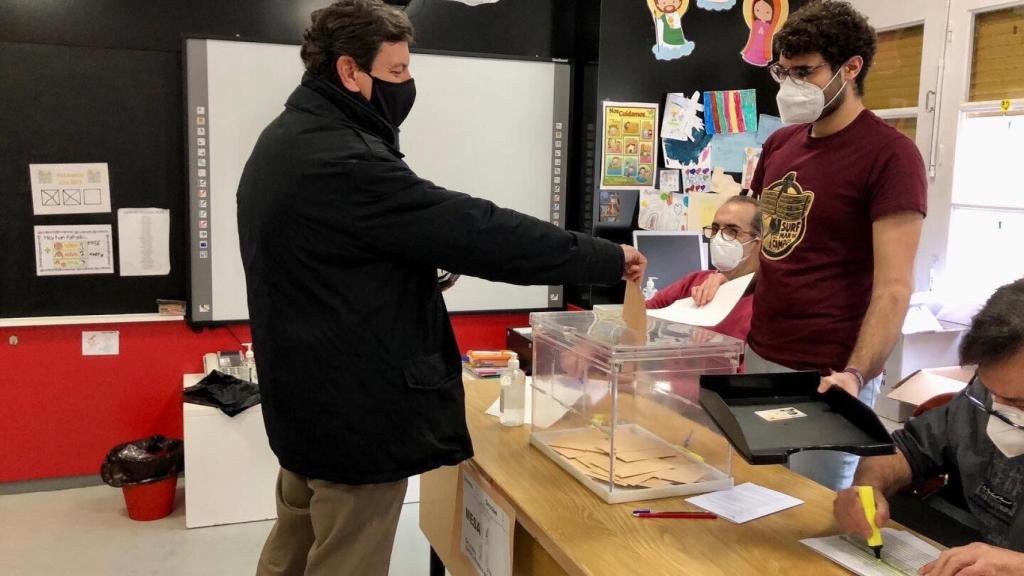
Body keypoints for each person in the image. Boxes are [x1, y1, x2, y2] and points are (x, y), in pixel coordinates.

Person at [235, 2, 646, 575]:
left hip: (307, 399)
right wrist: (604, 255)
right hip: (355, 415)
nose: (408, 85)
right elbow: (477, 230)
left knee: (293, 546)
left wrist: (402, 270)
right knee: (345, 557)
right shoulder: (346, 159)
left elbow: (327, 259)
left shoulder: (287, 138)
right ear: (351, 72)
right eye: (397, 72)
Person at [701, 0, 927, 490]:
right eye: (783, 72)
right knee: (755, 498)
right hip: (763, 355)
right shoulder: (782, 144)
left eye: (805, 72)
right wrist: (721, 279)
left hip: (831, 373)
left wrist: (855, 375)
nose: (791, 86)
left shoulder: (891, 155)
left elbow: (893, 288)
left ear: (851, 68)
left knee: (814, 514)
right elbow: (772, 245)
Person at [833, 279, 1024, 573]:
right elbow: (906, 449)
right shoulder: (980, 399)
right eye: (991, 392)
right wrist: (868, 488)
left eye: (1019, 402)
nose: (1001, 409)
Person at [646, 196, 760, 342]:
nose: (719, 238)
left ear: (759, 241)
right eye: (715, 229)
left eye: (732, 231)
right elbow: (641, 316)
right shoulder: (695, 281)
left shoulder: (764, 304)